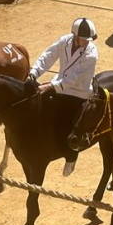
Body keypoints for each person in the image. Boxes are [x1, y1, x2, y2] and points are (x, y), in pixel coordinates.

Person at [27, 17, 98, 176]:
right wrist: (34, 73)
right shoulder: (64, 41)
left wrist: (49, 86)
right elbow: (48, 56)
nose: (87, 42)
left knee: (67, 125)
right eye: (83, 39)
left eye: (88, 39)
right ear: (74, 35)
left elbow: (74, 78)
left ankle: (71, 156)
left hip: (77, 93)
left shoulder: (91, 54)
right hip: (58, 87)